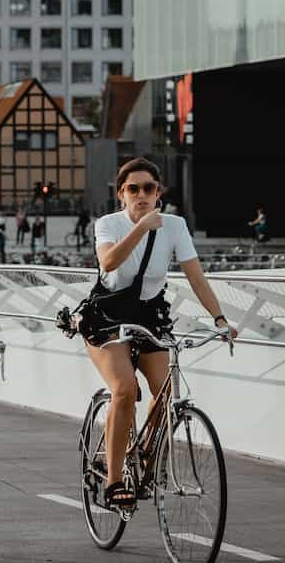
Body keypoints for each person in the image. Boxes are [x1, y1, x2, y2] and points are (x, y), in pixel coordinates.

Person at [78, 157, 236, 510]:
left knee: (165, 392)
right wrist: (141, 228)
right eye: (133, 189)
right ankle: (115, 480)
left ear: (158, 193)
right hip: (107, 318)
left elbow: (196, 277)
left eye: (149, 188)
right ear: (121, 194)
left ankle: (148, 452)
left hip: (150, 316)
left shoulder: (175, 226)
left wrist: (220, 319)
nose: (141, 195)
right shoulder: (108, 223)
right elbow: (109, 263)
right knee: (124, 390)